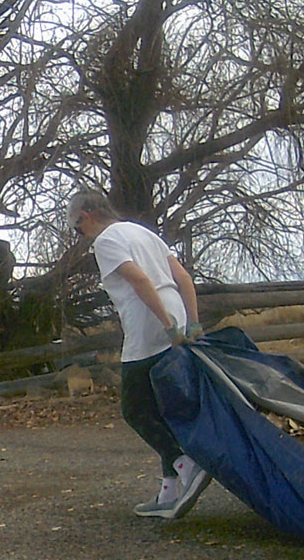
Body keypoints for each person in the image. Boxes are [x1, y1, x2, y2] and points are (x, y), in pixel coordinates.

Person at [67, 190, 212, 519]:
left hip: (149, 323)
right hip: (172, 309)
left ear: (85, 217)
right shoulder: (143, 232)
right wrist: (192, 321)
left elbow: (139, 279)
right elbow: (183, 277)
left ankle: (185, 462)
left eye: (77, 228)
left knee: (134, 408)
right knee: (160, 405)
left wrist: (168, 326)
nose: (80, 235)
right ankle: (170, 489)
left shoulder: (105, 242)